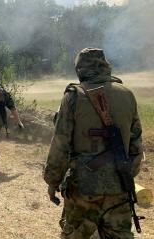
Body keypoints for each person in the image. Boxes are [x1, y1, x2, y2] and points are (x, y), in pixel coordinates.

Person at [43, 48, 143, 238]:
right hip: (119, 188)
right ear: (106, 67)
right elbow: (136, 148)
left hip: (82, 188)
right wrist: (124, 177)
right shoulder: (128, 95)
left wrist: (52, 181)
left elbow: (60, 145)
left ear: (80, 70)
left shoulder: (72, 96)